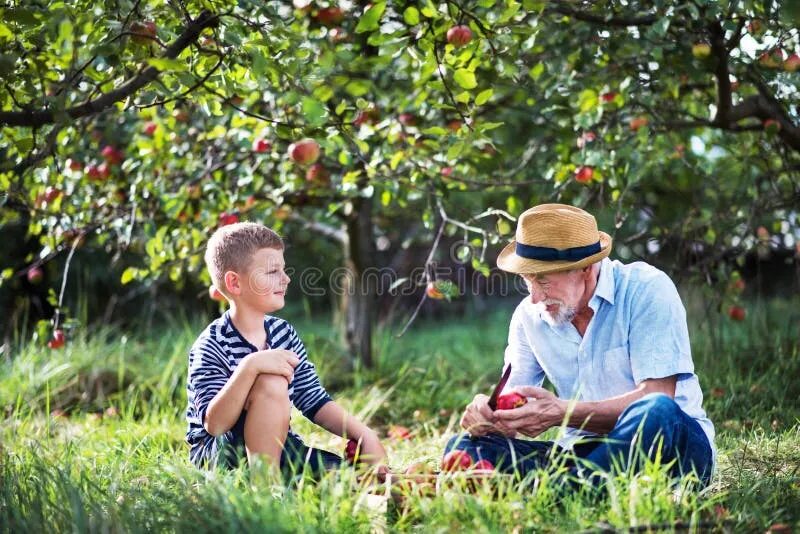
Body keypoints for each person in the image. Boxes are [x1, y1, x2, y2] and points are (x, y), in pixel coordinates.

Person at [445, 204, 715, 485]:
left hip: (671, 448)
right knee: (464, 448)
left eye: (544, 281)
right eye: (528, 281)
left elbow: (657, 396)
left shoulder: (647, 289)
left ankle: (560, 491)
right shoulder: (528, 317)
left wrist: (563, 413)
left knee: (656, 410)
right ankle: (577, 488)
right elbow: (512, 406)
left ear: (585, 268)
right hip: (577, 455)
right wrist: (489, 416)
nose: (535, 297)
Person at [185, 222, 387, 476]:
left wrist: (363, 433)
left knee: (346, 477)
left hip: (277, 448)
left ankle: (283, 481)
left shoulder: (284, 334)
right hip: (221, 456)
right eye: (272, 271)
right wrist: (251, 366)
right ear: (235, 283)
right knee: (270, 381)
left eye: (284, 269)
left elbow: (312, 398)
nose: (286, 278)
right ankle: (266, 495)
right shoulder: (212, 343)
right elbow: (215, 425)